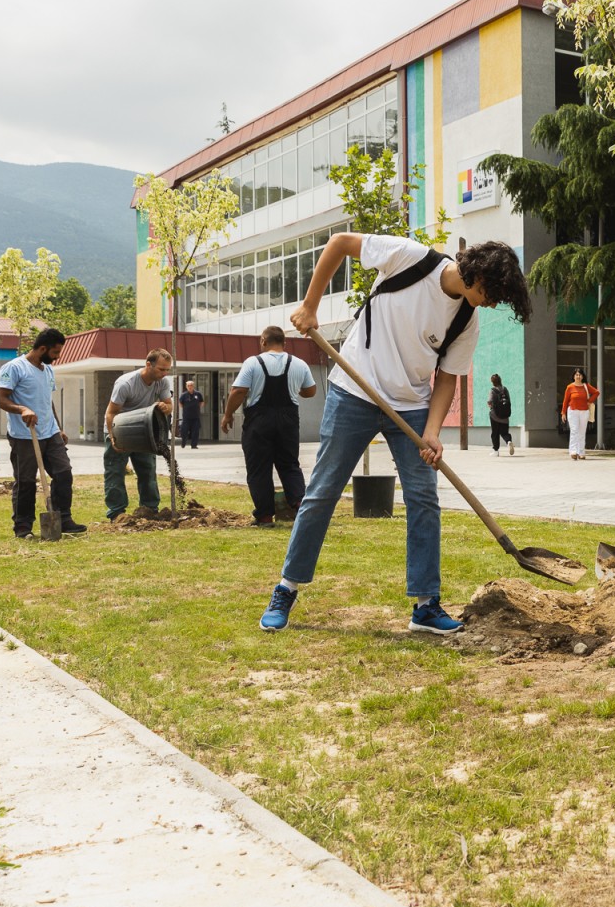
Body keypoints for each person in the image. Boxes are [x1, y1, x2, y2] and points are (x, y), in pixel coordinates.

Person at [259, 233, 532, 635]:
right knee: (322, 491)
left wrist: (433, 432)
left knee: (424, 498)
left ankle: (425, 605)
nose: (493, 304)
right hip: (354, 392)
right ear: (477, 275)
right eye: (494, 294)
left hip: (412, 406)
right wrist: (310, 305)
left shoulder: (466, 320)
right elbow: (339, 243)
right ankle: (287, 587)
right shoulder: (410, 257)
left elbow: (447, 379)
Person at [0, 327, 86, 539]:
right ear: (43, 348)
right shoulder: (14, 368)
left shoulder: (48, 370)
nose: (57, 357)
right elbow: (1, 399)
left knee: (63, 473)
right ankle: (23, 527)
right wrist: (22, 409)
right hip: (24, 435)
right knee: (26, 481)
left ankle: (63, 519)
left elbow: (47, 401)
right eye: (55, 352)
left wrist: (58, 427)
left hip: (50, 433)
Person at [222, 327, 316, 528]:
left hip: (259, 420)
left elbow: (238, 391)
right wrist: (296, 390)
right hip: (288, 420)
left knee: (259, 468)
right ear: (284, 342)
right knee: (289, 464)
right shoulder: (299, 363)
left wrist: (228, 415)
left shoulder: (253, 362)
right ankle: (300, 505)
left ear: (263, 341)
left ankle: (265, 516)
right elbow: (310, 390)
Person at [102, 349, 175, 521]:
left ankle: (149, 510)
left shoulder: (162, 382)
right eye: (161, 369)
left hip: (144, 430)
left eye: (167, 370)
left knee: (147, 471)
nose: (165, 374)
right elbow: (111, 413)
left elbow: (169, 405)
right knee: (115, 472)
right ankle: (117, 513)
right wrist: (113, 437)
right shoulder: (126, 383)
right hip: (119, 428)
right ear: (148, 364)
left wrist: (166, 407)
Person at [562, 369, 598, 459]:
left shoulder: (586, 386)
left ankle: (581, 452)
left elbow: (596, 392)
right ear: (574, 376)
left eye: (580, 375)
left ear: (582, 377)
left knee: (582, 432)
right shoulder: (570, 387)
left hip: (584, 412)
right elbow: (565, 401)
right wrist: (563, 413)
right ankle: (573, 451)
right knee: (574, 431)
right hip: (573, 412)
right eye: (576, 375)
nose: (578, 376)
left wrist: (589, 401)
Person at [487, 373, 514, 455]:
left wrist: (490, 405)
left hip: (495, 416)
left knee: (495, 433)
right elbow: (509, 401)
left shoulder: (493, 390)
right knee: (504, 432)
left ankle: (496, 451)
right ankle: (508, 441)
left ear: (493, 382)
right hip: (505, 416)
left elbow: (490, 402)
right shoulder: (505, 389)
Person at [179, 378, 205, 449]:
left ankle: (194, 445)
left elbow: (202, 402)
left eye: (191, 385)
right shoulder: (184, 395)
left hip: (195, 417)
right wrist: (186, 408)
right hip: (186, 417)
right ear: (186, 387)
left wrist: (197, 407)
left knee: (195, 431)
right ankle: (183, 442)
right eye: (188, 386)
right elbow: (180, 403)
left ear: (193, 386)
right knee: (184, 431)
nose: (190, 387)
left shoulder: (198, 394)